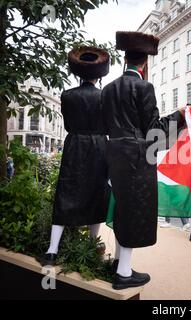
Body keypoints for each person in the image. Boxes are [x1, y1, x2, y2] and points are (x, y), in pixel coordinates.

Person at [102, 32, 186, 289]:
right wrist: (180, 116)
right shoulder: (144, 87)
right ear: (144, 64)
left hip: (114, 155)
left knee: (121, 208)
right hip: (137, 158)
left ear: (125, 60)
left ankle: (119, 262)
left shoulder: (108, 89)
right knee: (132, 211)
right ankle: (124, 273)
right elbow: (154, 132)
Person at [39, 46, 111, 266]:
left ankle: (52, 250)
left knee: (66, 192)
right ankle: (92, 245)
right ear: (99, 75)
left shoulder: (67, 95)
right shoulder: (105, 97)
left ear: (78, 74)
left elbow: (69, 124)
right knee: (97, 194)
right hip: (99, 146)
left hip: (75, 146)